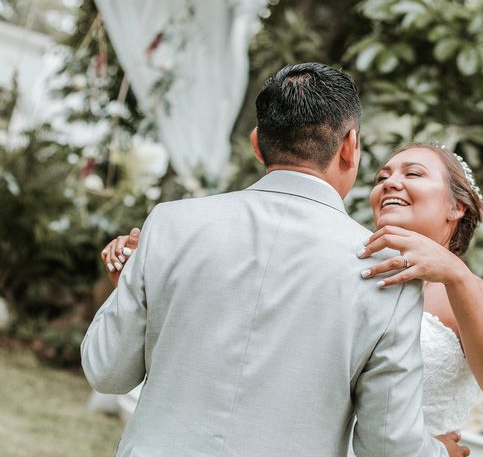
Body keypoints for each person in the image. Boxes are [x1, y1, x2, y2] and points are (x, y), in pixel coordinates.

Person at [82, 62, 459, 457]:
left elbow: (106, 371)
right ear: (349, 147)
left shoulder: (170, 225)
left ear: (258, 143)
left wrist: (130, 288)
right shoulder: (385, 271)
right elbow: (388, 444)